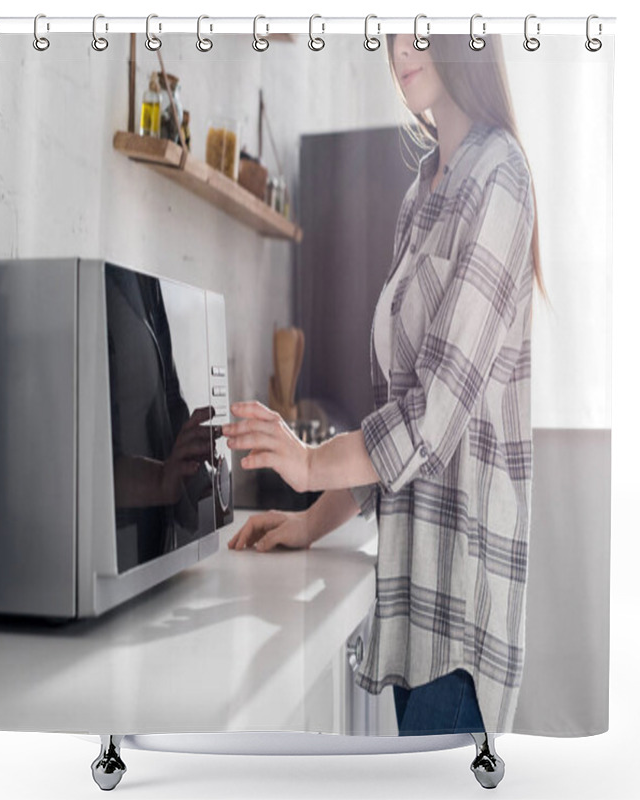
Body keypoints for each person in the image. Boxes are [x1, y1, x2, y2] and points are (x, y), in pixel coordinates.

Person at [221, 33, 546, 748]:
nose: (401, 51)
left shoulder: (502, 177)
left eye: (420, 33)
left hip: (462, 604)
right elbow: (391, 434)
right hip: (408, 600)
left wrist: (306, 465)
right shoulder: (419, 192)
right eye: (392, 35)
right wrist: (309, 521)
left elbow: (433, 418)